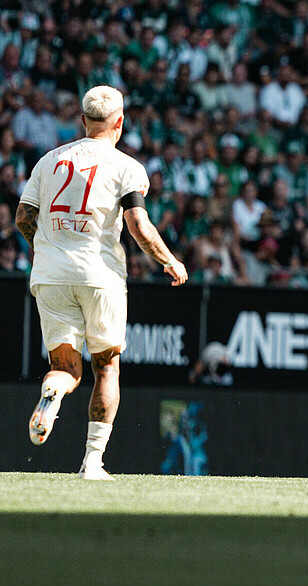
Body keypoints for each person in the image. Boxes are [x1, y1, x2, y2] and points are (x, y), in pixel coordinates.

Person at [15, 86, 188, 481]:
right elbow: (139, 226)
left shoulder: (50, 160)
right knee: (106, 367)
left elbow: (24, 217)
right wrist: (169, 260)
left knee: (65, 368)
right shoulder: (126, 166)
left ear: (82, 120)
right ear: (120, 123)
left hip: (51, 274)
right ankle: (92, 462)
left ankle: (53, 393)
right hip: (100, 277)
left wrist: (45, 250)